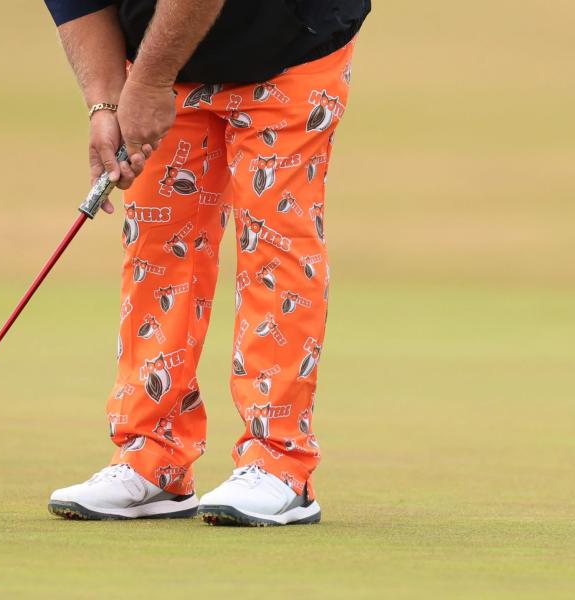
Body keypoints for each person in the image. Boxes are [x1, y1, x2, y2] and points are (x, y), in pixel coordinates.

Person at [42, 0, 368, 526]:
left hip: (290, 39)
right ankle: (153, 458)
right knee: (157, 242)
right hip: (163, 59)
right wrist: (105, 104)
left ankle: (279, 463)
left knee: (274, 246)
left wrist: (145, 84)